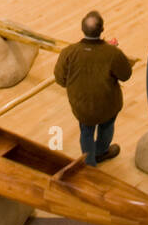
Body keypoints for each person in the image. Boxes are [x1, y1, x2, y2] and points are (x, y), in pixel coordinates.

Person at [53, 11, 132, 167]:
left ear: (82, 28)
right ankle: (101, 152)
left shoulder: (68, 52)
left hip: (83, 107)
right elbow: (125, 75)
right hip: (108, 105)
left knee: (86, 132)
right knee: (107, 127)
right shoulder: (113, 53)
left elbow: (60, 79)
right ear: (102, 30)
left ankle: (89, 165)